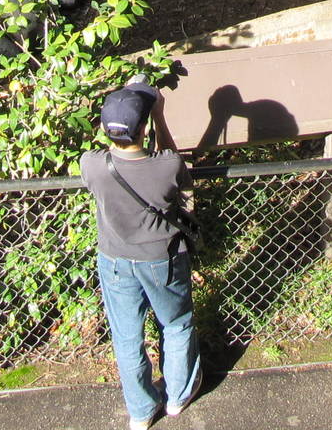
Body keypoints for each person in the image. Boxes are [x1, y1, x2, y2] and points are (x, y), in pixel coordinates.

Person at [80, 81, 202, 430]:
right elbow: (176, 171)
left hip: (115, 261)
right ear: (145, 129)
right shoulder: (166, 166)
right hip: (162, 259)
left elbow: (104, 150)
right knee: (176, 325)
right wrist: (160, 116)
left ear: (103, 130)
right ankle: (177, 396)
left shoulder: (93, 166)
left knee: (127, 336)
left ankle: (141, 410)